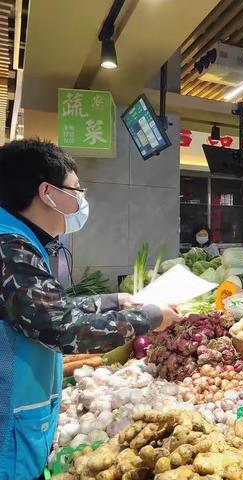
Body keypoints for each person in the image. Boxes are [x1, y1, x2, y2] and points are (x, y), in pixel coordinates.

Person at [0, 139, 182, 479]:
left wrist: (114, 301)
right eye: (76, 190)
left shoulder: (17, 240)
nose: (81, 201)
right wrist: (150, 317)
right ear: (47, 192)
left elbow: (44, 309)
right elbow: (63, 329)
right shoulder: (9, 247)